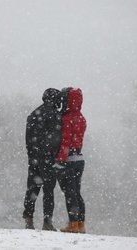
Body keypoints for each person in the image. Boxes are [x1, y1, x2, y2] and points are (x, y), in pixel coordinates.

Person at [23, 88, 62, 230]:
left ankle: (29, 220)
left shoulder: (34, 114)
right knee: (48, 190)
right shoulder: (56, 116)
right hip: (48, 158)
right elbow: (57, 139)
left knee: (32, 189)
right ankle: (47, 222)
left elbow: (28, 138)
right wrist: (54, 156)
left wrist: (32, 154)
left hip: (34, 157)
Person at [54, 87, 87, 233]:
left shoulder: (67, 119)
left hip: (69, 159)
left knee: (69, 192)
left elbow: (66, 141)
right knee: (77, 192)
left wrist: (60, 160)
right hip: (79, 158)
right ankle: (80, 223)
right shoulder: (81, 117)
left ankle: (72, 223)